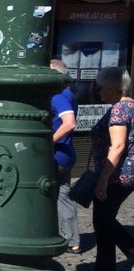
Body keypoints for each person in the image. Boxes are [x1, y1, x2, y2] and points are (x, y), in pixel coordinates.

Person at [83, 66, 134, 271]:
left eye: (100, 86)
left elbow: (118, 145)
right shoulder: (129, 105)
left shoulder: (120, 110)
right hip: (125, 172)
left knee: (102, 220)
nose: (97, 90)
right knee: (105, 219)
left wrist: (103, 178)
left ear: (112, 88)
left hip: (117, 174)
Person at [50, 60, 80, 254]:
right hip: (66, 153)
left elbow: (69, 123)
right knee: (63, 195)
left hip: (56, 154)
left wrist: (49, 141)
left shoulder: (58, 96)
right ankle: (72, 240)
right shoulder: (69, 94)